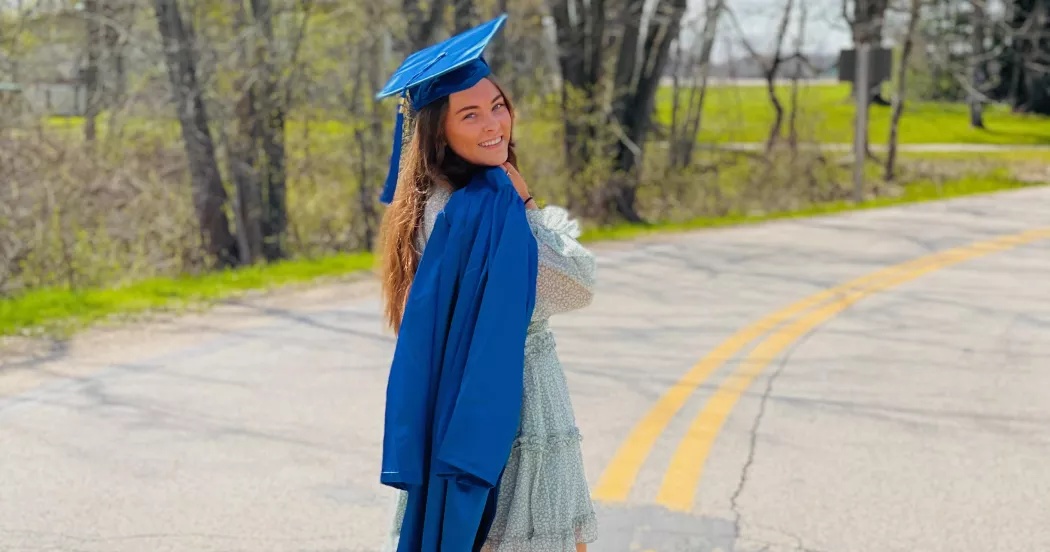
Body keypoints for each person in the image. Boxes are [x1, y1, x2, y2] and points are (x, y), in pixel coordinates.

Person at [375, 15, 598, 552]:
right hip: (512, 403)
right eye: (469, 114)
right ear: (438, 131)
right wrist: (528, 204)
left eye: (497, 105)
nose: (493, 124)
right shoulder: (484, 208)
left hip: (454, 403)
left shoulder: (425, 204)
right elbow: (574, 286)